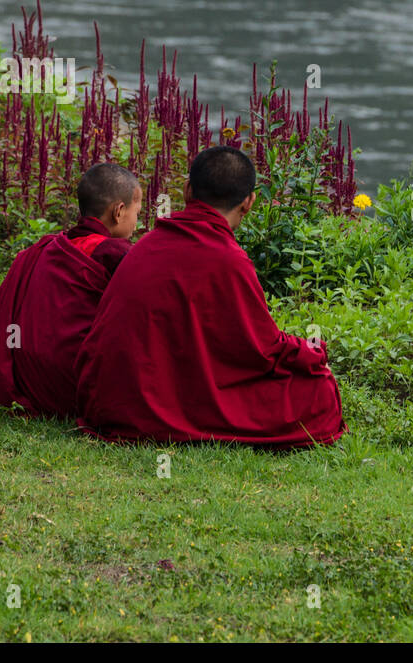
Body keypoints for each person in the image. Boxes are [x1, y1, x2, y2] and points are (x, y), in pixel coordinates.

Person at [75, 145, 345, 447]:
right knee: (320, 391)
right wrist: (313, 352)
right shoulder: (230, 260)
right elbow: (263, 350)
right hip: (161, 404)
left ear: (188, 190)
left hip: (109, 403)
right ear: (248, 202)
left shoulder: (146, 245)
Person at [0, 162, 141, 418]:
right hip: (76, 388)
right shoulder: (113, 252)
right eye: (137, 213)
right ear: (119, 211)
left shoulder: (47, 248)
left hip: (32, 385)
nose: (137, 223)